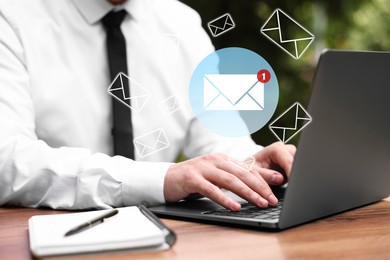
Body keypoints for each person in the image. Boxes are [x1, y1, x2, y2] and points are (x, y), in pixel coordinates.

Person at [0, 0, 295, 211]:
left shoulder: (182, 23)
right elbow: (8, 162)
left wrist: (251, 164)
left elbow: (217, 138)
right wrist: (161, 180)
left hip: (168, 239)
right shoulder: (11, 16)